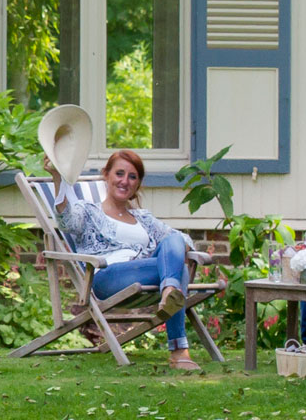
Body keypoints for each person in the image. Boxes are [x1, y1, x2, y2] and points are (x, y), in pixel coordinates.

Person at [44, 146, 204, 372]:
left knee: (174, 240)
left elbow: (182, 239)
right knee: (180, 271)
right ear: (106, 175)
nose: (125, 181)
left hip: (146, 276)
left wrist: (175, 248)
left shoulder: (144, 218)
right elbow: (67, 221)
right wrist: (57, 178)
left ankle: (169, 291)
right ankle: (179, 350)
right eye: (119, 174)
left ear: (138, 184)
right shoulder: (89, 211)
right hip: (108, 277)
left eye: (132, 177)